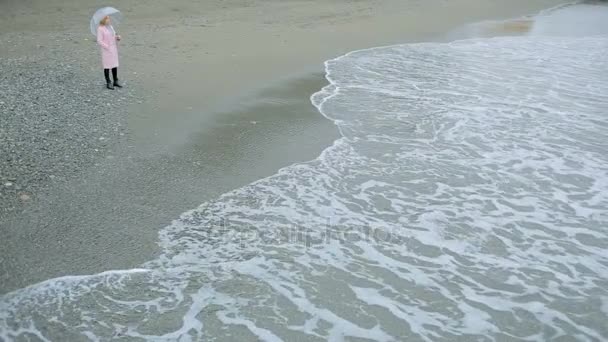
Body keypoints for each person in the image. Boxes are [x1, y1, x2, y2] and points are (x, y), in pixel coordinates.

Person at [96, 15, 122, 90]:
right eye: (107, 19)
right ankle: (108, 82)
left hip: (113, 48)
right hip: (106, 49)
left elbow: (113, 35)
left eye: (109, 19)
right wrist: (107, 46)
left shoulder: (110, 27)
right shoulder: (100, 29)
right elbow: (99, 40)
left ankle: (115, 80)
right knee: (107, 65)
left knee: (114, 64)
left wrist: (117, 37)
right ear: (103, 20)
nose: (109, 20)